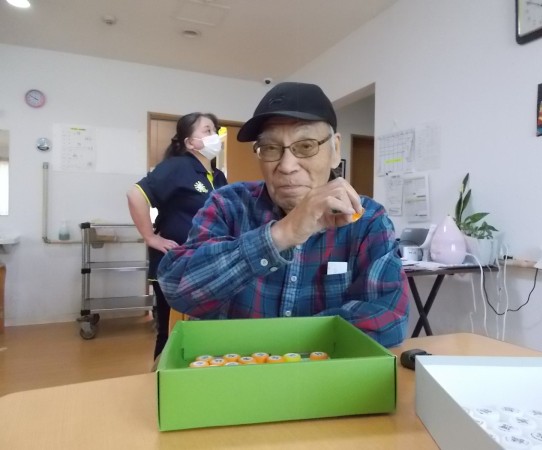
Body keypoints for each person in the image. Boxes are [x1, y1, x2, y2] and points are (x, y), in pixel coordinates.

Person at [158, 82, 409, 347]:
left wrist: (277, 345)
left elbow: (389, 319)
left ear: (335, 150)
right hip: (233, 368)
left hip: (323, 370)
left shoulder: (366, 220)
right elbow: (177, 288)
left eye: (306, 146)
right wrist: (281, 235)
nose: (287, 166)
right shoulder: (228, 205)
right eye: (270, 148)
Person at [127, 112, 228, 359]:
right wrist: (150, 237)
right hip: (176, 265)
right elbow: (135, 195)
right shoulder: (178, 166)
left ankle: (197, 376)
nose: (214, 136)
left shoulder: (218, 176)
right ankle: (161, 377)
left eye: (215, 131)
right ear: (189, 142)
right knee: (171, 331)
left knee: (205, 330)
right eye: (207, 131)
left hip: (208, 264)